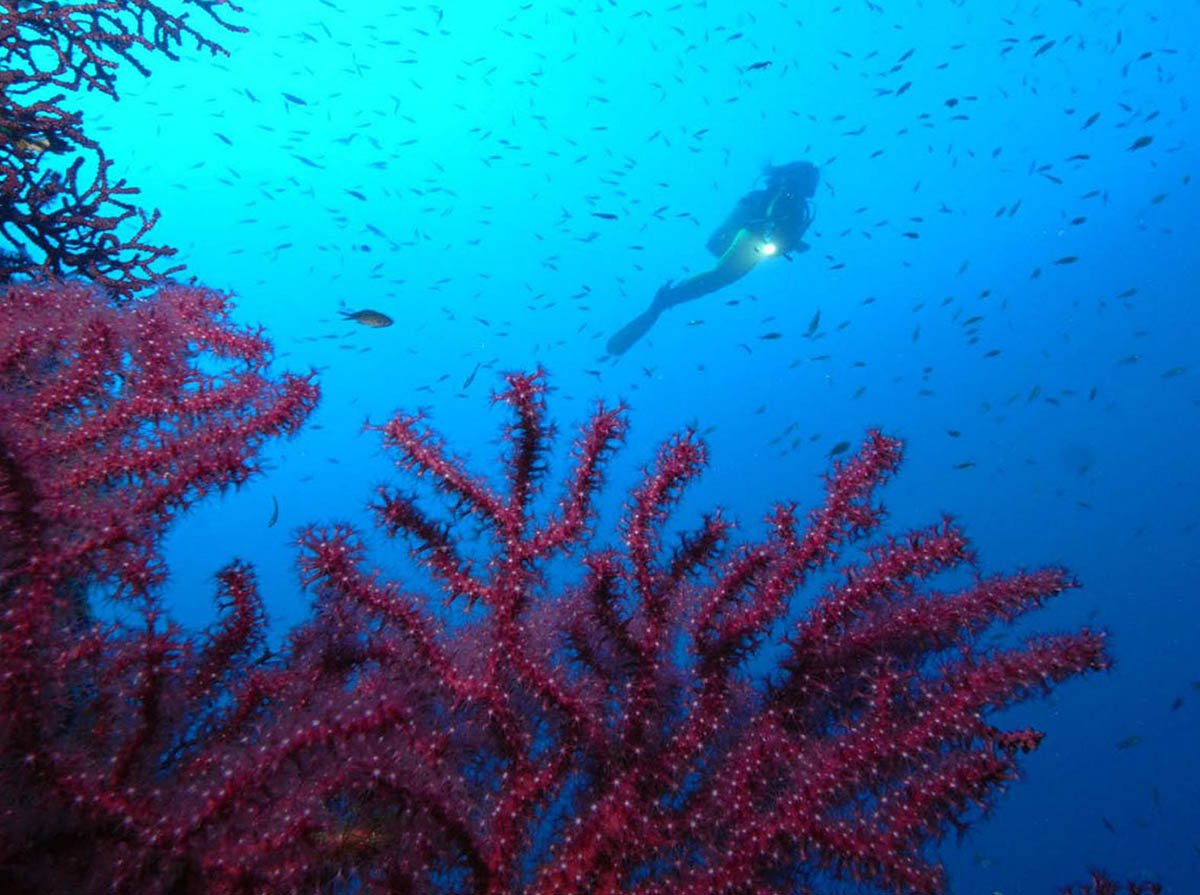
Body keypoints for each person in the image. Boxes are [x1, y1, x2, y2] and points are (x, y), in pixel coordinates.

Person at [606, 161, 819, 356]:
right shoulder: (780, 196)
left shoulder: (797, 204)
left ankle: (667, 300)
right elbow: (766, 219)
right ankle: (665, 300)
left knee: (719, 279)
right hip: (751, 238)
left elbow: (786, 233)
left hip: (754, 242)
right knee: (720, 277)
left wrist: (795, 244)